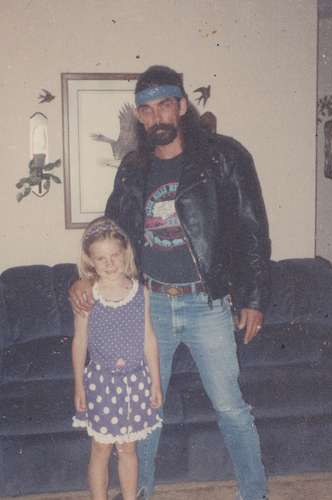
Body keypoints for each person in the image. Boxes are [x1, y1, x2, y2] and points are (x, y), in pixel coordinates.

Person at [70, 65, 271, 500]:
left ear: (181, 106)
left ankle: (254, 493)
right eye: (146, 110)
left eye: (164, 105)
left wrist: (253, 298)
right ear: (139, 116)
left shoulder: (224, 156)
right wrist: (83, 278)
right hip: (149, 305)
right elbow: (111, 230)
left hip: (207, 304)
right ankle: (138, 492)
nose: (156, 117)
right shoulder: (133, 167)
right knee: (143, 411)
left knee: (231, 408)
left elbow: (252, 230)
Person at [71, 216, 163, 500]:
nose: (109, 264)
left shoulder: (141, 293)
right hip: (101, 384)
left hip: (136, 383)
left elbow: (149, 339)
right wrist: (79, 386)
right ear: (90, 261)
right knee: (101, 448)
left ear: (126, 253)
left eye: (114, 256)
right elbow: (79, 342)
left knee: (128, 449)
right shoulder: (88, 296)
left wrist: (156, 383)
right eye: (101, 258)